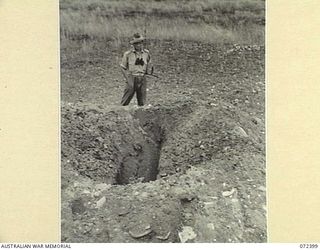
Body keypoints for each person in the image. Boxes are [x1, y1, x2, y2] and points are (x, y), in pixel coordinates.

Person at [119, 33, 152, 106]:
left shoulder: (146, 53)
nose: (138, 45)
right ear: (133, 45)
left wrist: (147, 73)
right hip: (132, 77)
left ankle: (141, 115)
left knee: (142, 102)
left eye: (140, 43)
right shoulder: (128, 54)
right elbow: (122, 67)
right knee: (125, 100)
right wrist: (128, 79)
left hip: (142, 78)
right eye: (136, 43)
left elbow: (149, 63)